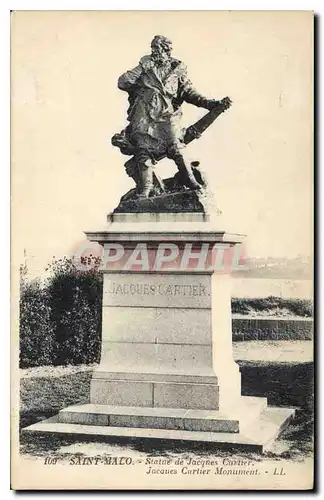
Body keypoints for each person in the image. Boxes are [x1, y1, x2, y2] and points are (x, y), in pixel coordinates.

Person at [116, 35, 224, 197]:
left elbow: (188, 92)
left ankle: (189, 179)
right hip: (144, 116)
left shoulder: (176, 70)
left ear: (166, 51)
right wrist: (142, 68)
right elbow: (123, 82)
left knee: (176, 146)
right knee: (143, 151)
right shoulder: (144, 68)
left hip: (168, 116)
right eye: (153, 48)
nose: (155, 52)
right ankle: (146, 188)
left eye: (158, 48)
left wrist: (209, 104)